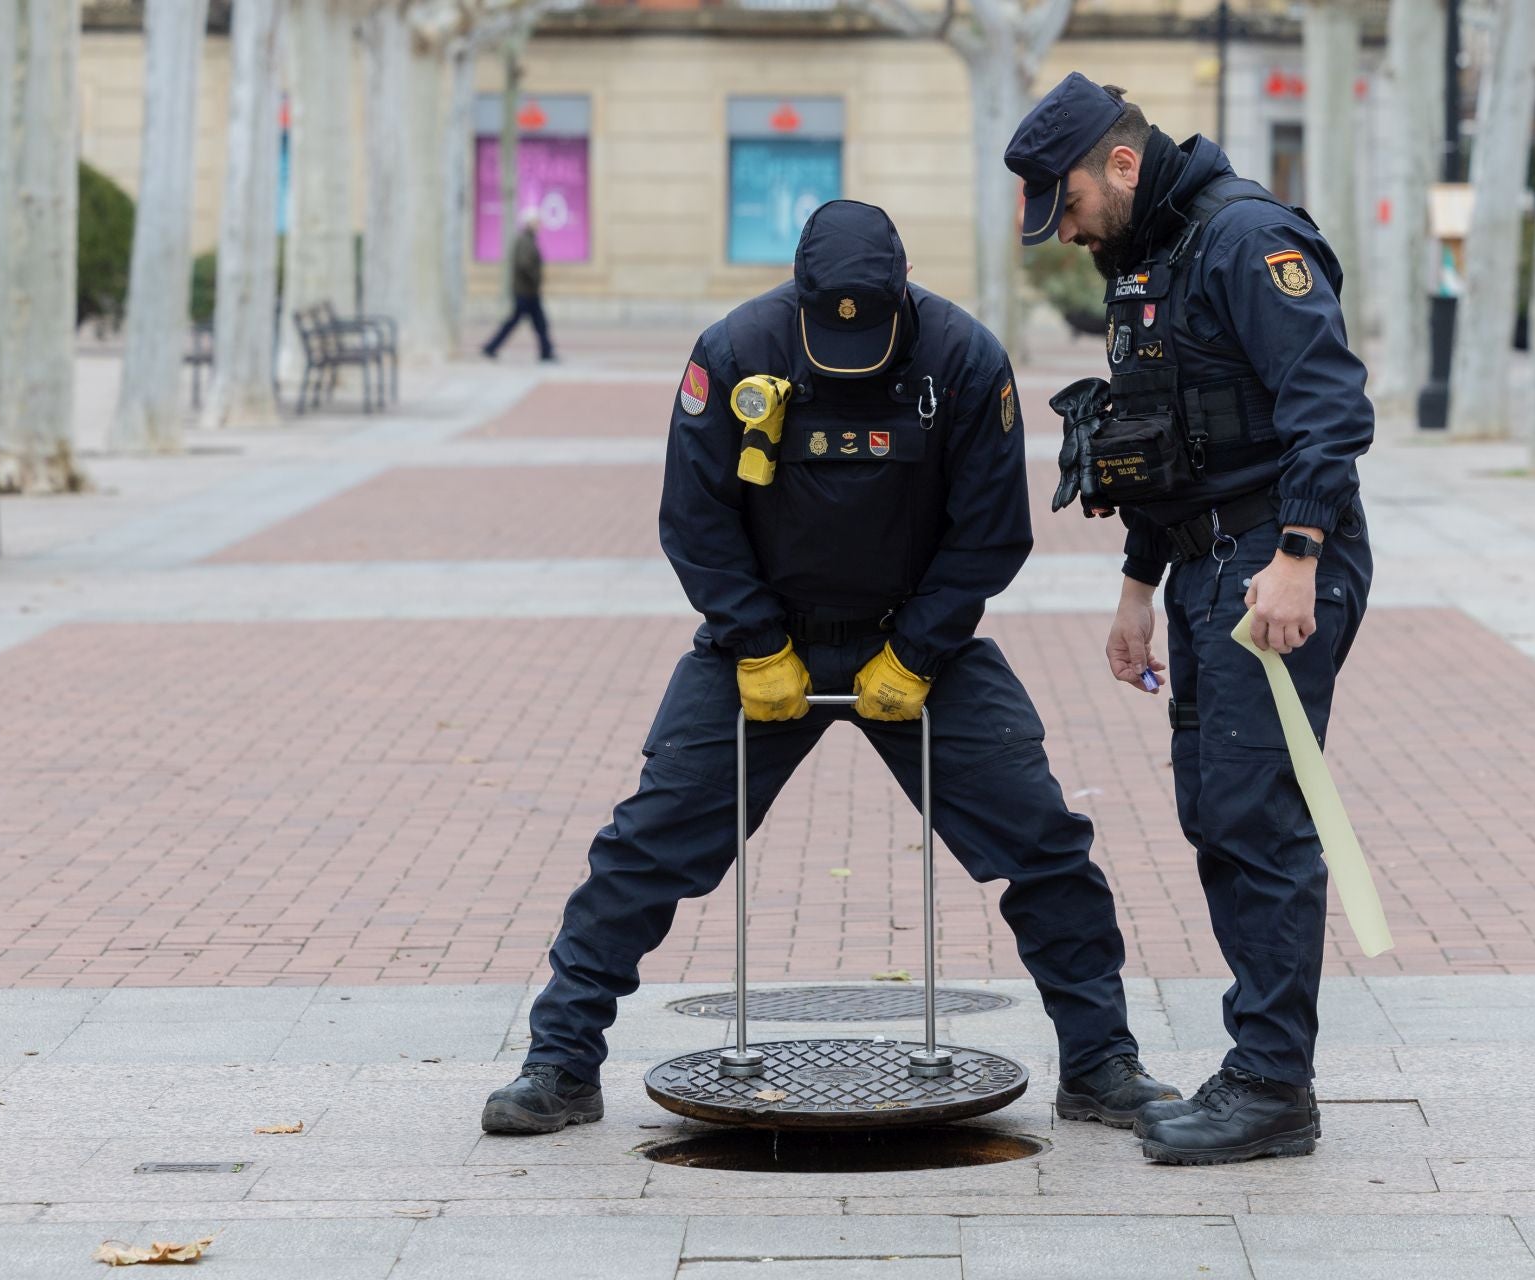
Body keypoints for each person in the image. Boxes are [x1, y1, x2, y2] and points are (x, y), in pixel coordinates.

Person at [481, 199, 1177, 1136]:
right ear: (800, 301)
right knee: (646, 847)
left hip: (919, 637)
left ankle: (1099, 1063)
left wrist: (922, 647)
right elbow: (695, 521)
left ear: (902, 301)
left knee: (1044, 845)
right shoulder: (732, 352)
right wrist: (758, 642)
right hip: (765, 638)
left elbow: (991, 532)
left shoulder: (965, 359)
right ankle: (559, 1063)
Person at [1005, 73, 1375, 1166]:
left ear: (1121, 164)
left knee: (1256, 816)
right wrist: (1137, 586)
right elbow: (1165, 438)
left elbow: (1330, 409)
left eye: (1065, 205)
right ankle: (1260, 1064)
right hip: (1211, 564)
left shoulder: (1247, 237)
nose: (1061, 232)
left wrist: (1298, 558)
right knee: (1217, 809)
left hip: (1275, 561)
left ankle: (1272, 1086)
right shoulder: (1152, 257)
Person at [482, 209, 554, 362]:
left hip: (528, 291)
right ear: (529, 223)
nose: (538, 225)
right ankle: (491, 347)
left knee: (538, 323)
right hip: (525, 292)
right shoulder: (524, 241)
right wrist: (535, 278)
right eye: (536, 222)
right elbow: (524, 264)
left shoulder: (528, 240)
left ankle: (546, 352)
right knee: (519, 322)